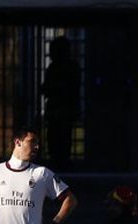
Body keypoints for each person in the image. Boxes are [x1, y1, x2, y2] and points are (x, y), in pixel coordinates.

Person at [41, 36, 80, 172]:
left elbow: (46, 88)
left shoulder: (56, 68)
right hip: (63, 112)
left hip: (59, 111)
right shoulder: (70, 67)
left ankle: (59, 166)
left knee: (58, 142)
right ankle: (62, 166)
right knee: (61, 142)